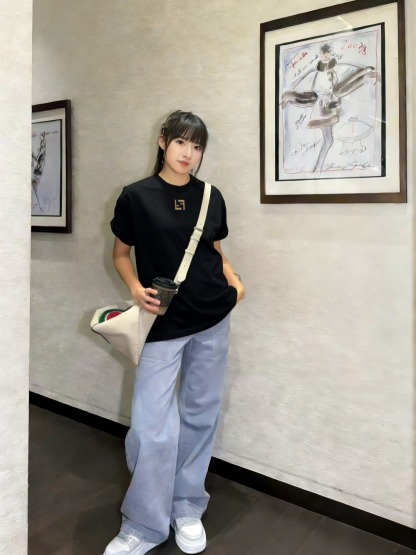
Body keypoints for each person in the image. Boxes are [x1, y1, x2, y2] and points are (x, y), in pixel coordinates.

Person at [104, 110, 245, 555]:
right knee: (151, 426)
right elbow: (121, 254)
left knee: (201, 414)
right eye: (181, 142)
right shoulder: (135, 196)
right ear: (163, 141)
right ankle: (144, 525)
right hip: (162, 323)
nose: (189, 153)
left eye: (197, 146)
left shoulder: (211, 196)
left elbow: (214, 250)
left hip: (212, 317)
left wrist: (235, 283)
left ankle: (186, 505)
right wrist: (135, 289)